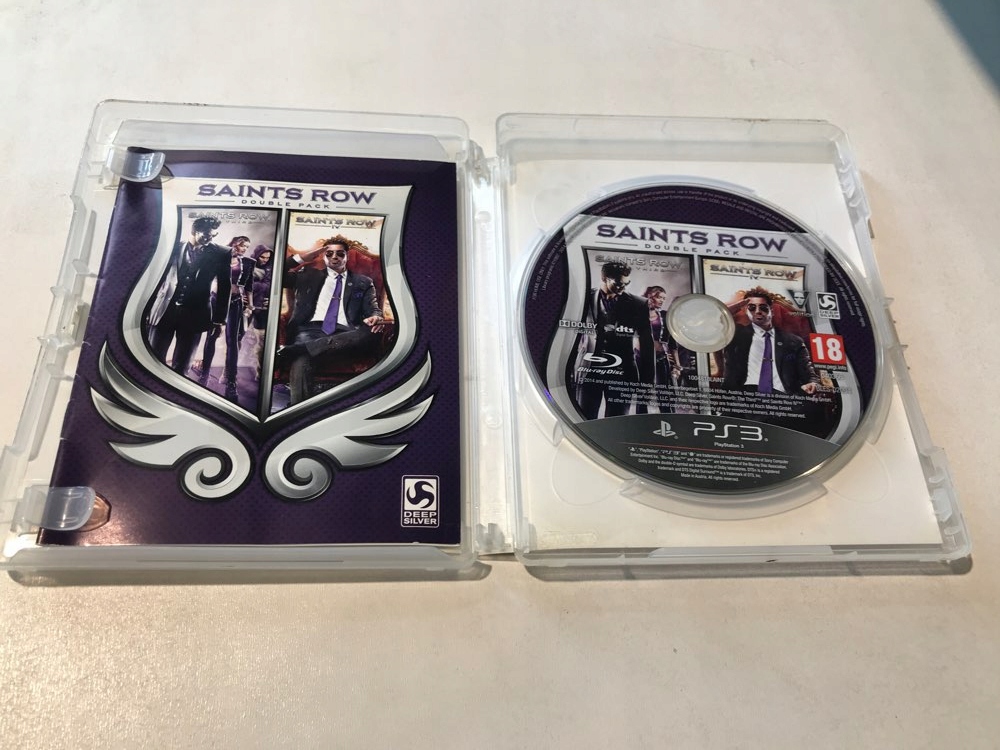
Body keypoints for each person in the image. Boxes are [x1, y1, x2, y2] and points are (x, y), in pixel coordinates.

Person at [277, 237, 384, 405]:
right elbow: (275, 275)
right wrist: (302, 258)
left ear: (347, 256)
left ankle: (296, 349)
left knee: (370, 331)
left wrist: (376, 317)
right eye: (329, 253)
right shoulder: (306, 275)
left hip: (347, 335)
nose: (335, 257)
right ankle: (300, 411)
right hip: (310, 332)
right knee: (301, 360)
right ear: (323, 256)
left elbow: (373, 310)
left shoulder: (363, 282)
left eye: (340, 253)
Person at [147, 216, 232, 376]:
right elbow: (155, 278)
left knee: (182, 366)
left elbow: (225, 287)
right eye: (206, 235)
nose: (210, 238)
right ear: (194, 231)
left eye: (213, 235)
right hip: (164, 311)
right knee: (153, 359)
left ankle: (174, 391)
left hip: (195, 315)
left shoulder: (222, 253)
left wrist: (219, 320)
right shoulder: (172, 247)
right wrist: (147, 308)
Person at [574, 261, 654, 419]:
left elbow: (647, 343)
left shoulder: (639, 304)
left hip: (623, 374)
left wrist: (647, 381)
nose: (622, 287)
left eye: (626, 283)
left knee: (617, 422)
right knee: (584, 419)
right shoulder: (584, 297)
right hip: (589, 370)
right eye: (618, 283)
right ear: (604, 278)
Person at [722, 286, 819, 394]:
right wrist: (736, 307)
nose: (758, 311)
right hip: (742, 397)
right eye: (752, 307)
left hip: (782, 399)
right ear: (745, 311)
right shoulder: (734, 334)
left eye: (763, 307)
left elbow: (810, 376)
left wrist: (812, 383)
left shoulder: (794, 342)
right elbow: (715, 321)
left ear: (772, 311)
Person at [199, 235, 255, 401]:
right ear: (234, 244)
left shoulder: (248, 263)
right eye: (242, 245)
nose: (244, 249)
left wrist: (250, 306)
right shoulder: (219, 258)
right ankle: (204, 375)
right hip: (216, 301)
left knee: (233, 341)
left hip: (236, 302)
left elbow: (249, 286)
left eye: (247, 247)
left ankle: (231, 381)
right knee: (212, 336)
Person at [636, 286, 693, 414]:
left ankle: (668, 418)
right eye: (659, 297)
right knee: (643, 394)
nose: (662, 301)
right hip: (640, 358)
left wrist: (677, 366)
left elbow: (672, 343)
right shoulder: (637, 314)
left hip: (661, 358)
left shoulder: (665, 315)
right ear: (649, 296)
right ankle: (641, 420)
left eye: (664, 298)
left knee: (664, 394)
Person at [246, 244, 274, 381]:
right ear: (257, 255)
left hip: (263, 309)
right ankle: (227, 372)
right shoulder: (247, 266)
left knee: (262, 342)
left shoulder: (272, 269)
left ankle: (260, 372)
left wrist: (272, 299)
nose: (265, 260)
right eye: (262, 257)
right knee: (235, 339)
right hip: (246, 307)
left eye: (267, 258)